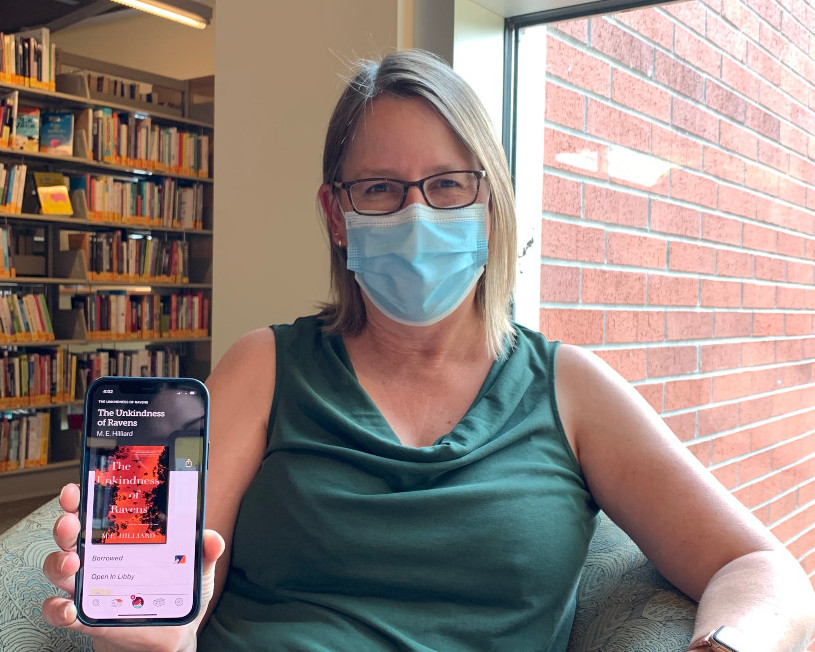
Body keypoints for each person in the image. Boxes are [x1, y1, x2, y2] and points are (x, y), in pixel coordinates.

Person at [42, 49, 815, 652]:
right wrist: (148, 633)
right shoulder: (264, 367)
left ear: (491, 200)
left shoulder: (570, 388)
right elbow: (176, 602)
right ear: (336, 216)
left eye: (447, 185)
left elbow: (759, 568)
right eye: (378, 189)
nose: (415, 215)